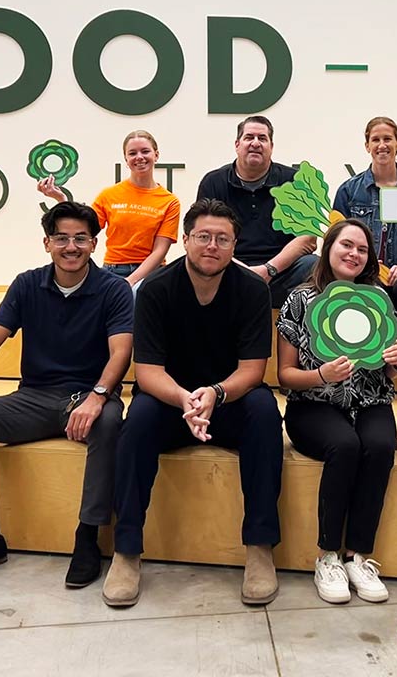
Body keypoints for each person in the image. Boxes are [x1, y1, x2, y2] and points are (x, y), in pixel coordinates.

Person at [0, 201, 134, 589]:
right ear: (47, 243)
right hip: (35, 397)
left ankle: (88, 536)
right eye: (61, 238)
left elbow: (121, 350)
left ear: (94, 244)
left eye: (80, 238)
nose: (71, 247)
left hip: (87, 396)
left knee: (111, 421)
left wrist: (96, 396)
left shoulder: (114, 289)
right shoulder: (27, 284)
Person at [103, 198, 283, 608]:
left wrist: (215, 394)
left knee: (265, 412)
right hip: (173, 401)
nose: (212, 245)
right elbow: (147, 372)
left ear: (235, 245)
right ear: (185, 239)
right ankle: (127, 550)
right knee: (138, 418)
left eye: (223, 238)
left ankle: (259, 547)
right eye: (203, 236)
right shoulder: (155, 290)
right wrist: (186, 399)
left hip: (228, 399)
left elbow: (253, 370)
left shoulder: (253, 289)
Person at [278, 218, 397, 604]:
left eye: (362, 249)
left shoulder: (379, 300)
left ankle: (358, 556)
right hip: (312, 405)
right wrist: (320, 374)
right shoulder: (300, 299)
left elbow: (388, 368)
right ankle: (328, 555)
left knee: (380, 446)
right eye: (346, 245)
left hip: (371, 401)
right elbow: (285, 376)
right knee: (345, 446)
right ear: (328, 249)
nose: (353, 254)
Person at [332, 117, 397, 405]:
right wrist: (361, 265)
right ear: (367, 145)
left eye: (388, 138)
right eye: (375, 139)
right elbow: (336, 239)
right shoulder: (349, 191)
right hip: (361, 272)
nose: (382, 145)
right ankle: (357, 370)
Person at [196, 115, 318, 308]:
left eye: (262, 138)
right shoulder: (213, 183)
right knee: (199, 264)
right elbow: (202, 237)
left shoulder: (294, 182)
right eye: (249, 137)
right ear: (237, 144)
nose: (255, 143)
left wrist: (267, 270)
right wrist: (246, 273)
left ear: (271, 146)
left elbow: (308, 238)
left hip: (282, 272)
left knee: (313, 265)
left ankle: (296, 332)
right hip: (229, 269)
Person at [38, 129, 180, 292]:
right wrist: (60, 199)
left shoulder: (169, 202)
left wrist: (131, 281)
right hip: (113, 271)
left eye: (145, 151)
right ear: (126, 160)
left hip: (151, 274)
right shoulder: (109, 195)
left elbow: (160, 250)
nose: (139, 157)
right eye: (132, 153)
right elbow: (83, 228)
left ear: (156, 155)